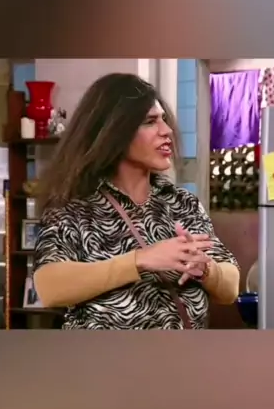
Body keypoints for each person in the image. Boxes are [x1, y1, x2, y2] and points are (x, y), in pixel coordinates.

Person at [34, 72, 240, 330]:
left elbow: (230, 288)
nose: (167, 131)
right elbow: (49, 288)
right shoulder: (74, 207)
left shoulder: (182, 204)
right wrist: (140, 260)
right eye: (150, 122)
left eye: (164, 120)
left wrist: (207, 269)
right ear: (114, 131)